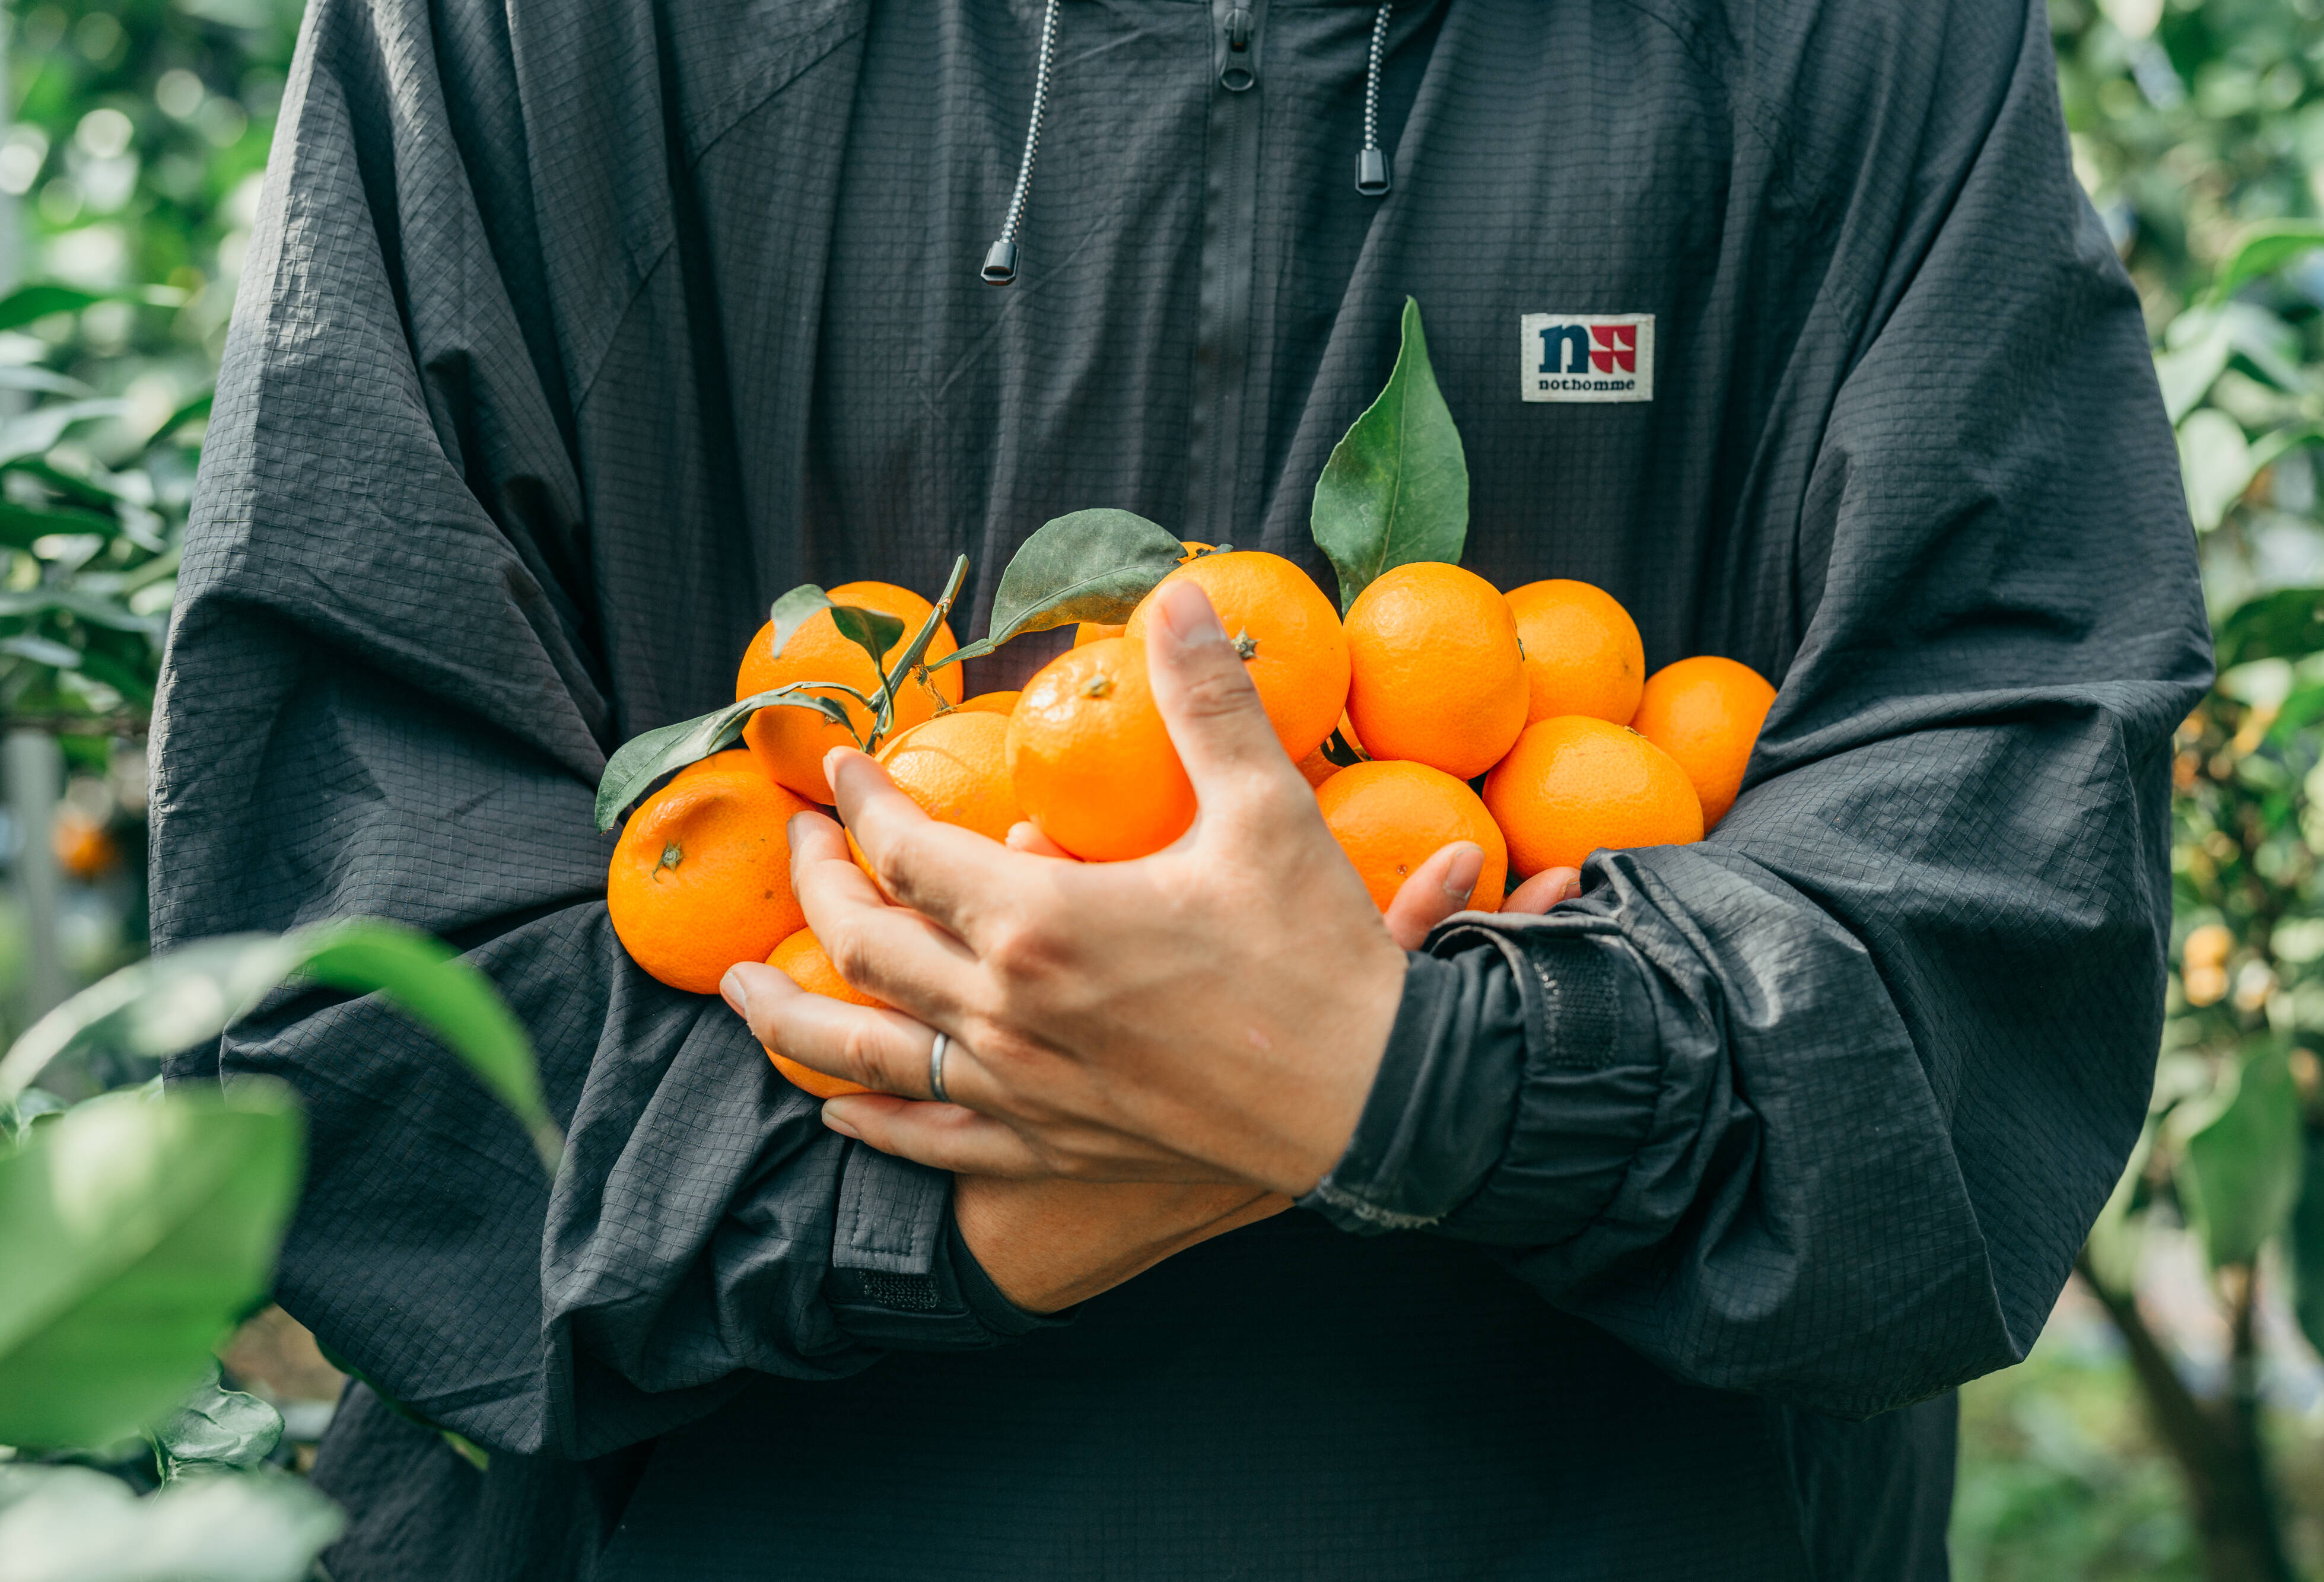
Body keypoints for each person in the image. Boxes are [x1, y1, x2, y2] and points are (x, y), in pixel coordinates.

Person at [151, 0, 2212, 1575]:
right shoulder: (526, 40)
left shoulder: (1850, 44)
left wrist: (1429, 1072)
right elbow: (341, 952)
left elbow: (2003, 917)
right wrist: (1010, 1165)